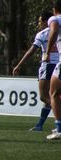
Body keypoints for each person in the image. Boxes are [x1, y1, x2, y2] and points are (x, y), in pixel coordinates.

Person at [13, 11, 57, 132]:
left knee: (44, 97)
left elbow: (31, 51)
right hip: (59, 65)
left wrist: (19, 65)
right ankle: (39, 125)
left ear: (45, 21)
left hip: (48, 65)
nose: (38, 23)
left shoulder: (43, 34)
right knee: (53, 96)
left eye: (39, 21)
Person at [44, 0, 61, 140]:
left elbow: (54, 29)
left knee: (53, 93)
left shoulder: (54, 18)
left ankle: (59, 129)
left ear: (54, 9)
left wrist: (47, 52)